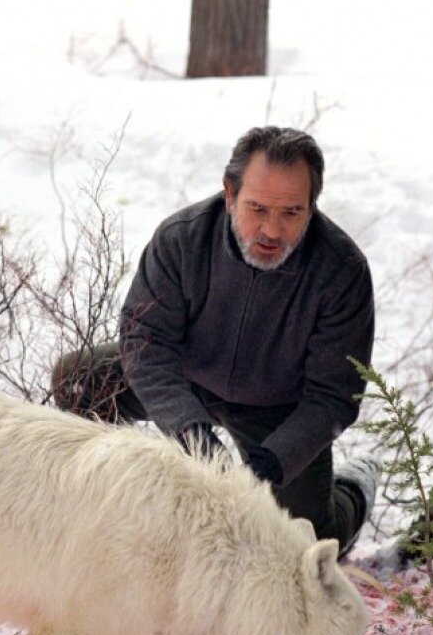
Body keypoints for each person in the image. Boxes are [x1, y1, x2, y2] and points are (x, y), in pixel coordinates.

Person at [52, 126, 379, 556]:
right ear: (229, 193)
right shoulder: (181, 239)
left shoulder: (341, 271)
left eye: (291, 213)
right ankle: (112, 496)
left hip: (278, 412)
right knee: (79, 379)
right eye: (257, 208)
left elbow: (334, 395)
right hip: (185, 381)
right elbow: (146, 342)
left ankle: (355, 488)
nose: (272, 230)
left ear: (312, 206)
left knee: (303, 548)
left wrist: (273, 460)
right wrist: (190, 432)